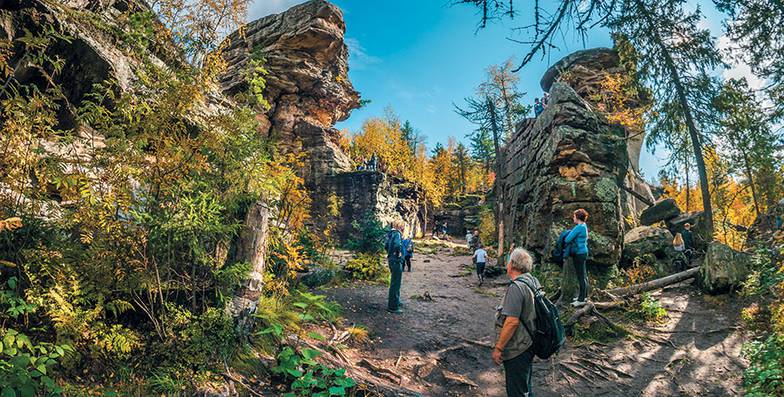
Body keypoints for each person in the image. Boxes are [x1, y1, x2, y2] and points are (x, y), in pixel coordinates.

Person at [493, 248, 541, 397]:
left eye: (508, 261)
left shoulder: (516, 287)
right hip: (530, 342)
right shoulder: (532, 281)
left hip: (518, 347)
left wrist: (499, 348)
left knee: (516, 391)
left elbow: (512, 322)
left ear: (512, 264)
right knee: (525, 386)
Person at [564, 209, 589, 306]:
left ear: (578, 218)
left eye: (574, 216)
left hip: (579, 253)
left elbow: (567, 239)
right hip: (583, 252)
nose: (573, 218)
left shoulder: (579, 227)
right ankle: (584, 296)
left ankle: (581, 300)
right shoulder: (584, 226)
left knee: (581, 276)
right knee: (583, 275)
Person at [385, 221, 404, 313]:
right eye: (403, 226)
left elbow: (386, 246)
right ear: (399, 226)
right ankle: (393, 306)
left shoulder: (390, 234)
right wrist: (399, 253)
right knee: (396, 283)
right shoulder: (397, 234)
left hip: (390, 259)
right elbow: (397, 245)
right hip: (396, 260)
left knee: (394, 281)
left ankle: (396, 301)